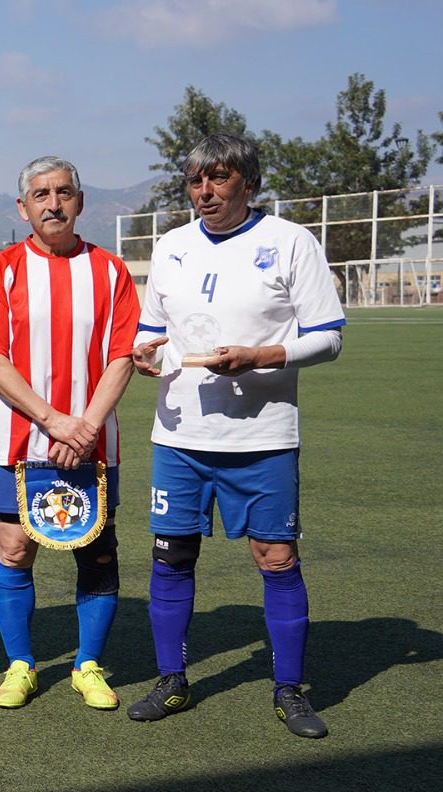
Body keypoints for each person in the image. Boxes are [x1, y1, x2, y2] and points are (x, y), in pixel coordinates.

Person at [127, 133, 344, 738]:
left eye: (218, 179)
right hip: (179, 436)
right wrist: (146, 353)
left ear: (247, 182)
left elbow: (329, 335)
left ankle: (289, 689)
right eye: (196, 181)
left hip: (263, 438)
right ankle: (172, 680)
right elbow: (153, 331)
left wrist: (260, 355)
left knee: (276, 558)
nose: (205, 191)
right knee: (170, 559)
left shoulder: (290, 242)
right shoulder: (170, 246)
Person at [0, 155, 139, 712]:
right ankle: (21, 664)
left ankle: (86, 663)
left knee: (96, 550)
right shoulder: (0, 271)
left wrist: (85, 426)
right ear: (23, 208)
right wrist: (54, 420)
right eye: (40, 195)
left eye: (63, 192)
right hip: (19, 439)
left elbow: (122, 357)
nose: (53, 203)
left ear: (80, 200)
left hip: (92, 438)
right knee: (14, 549)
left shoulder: (111, 272)